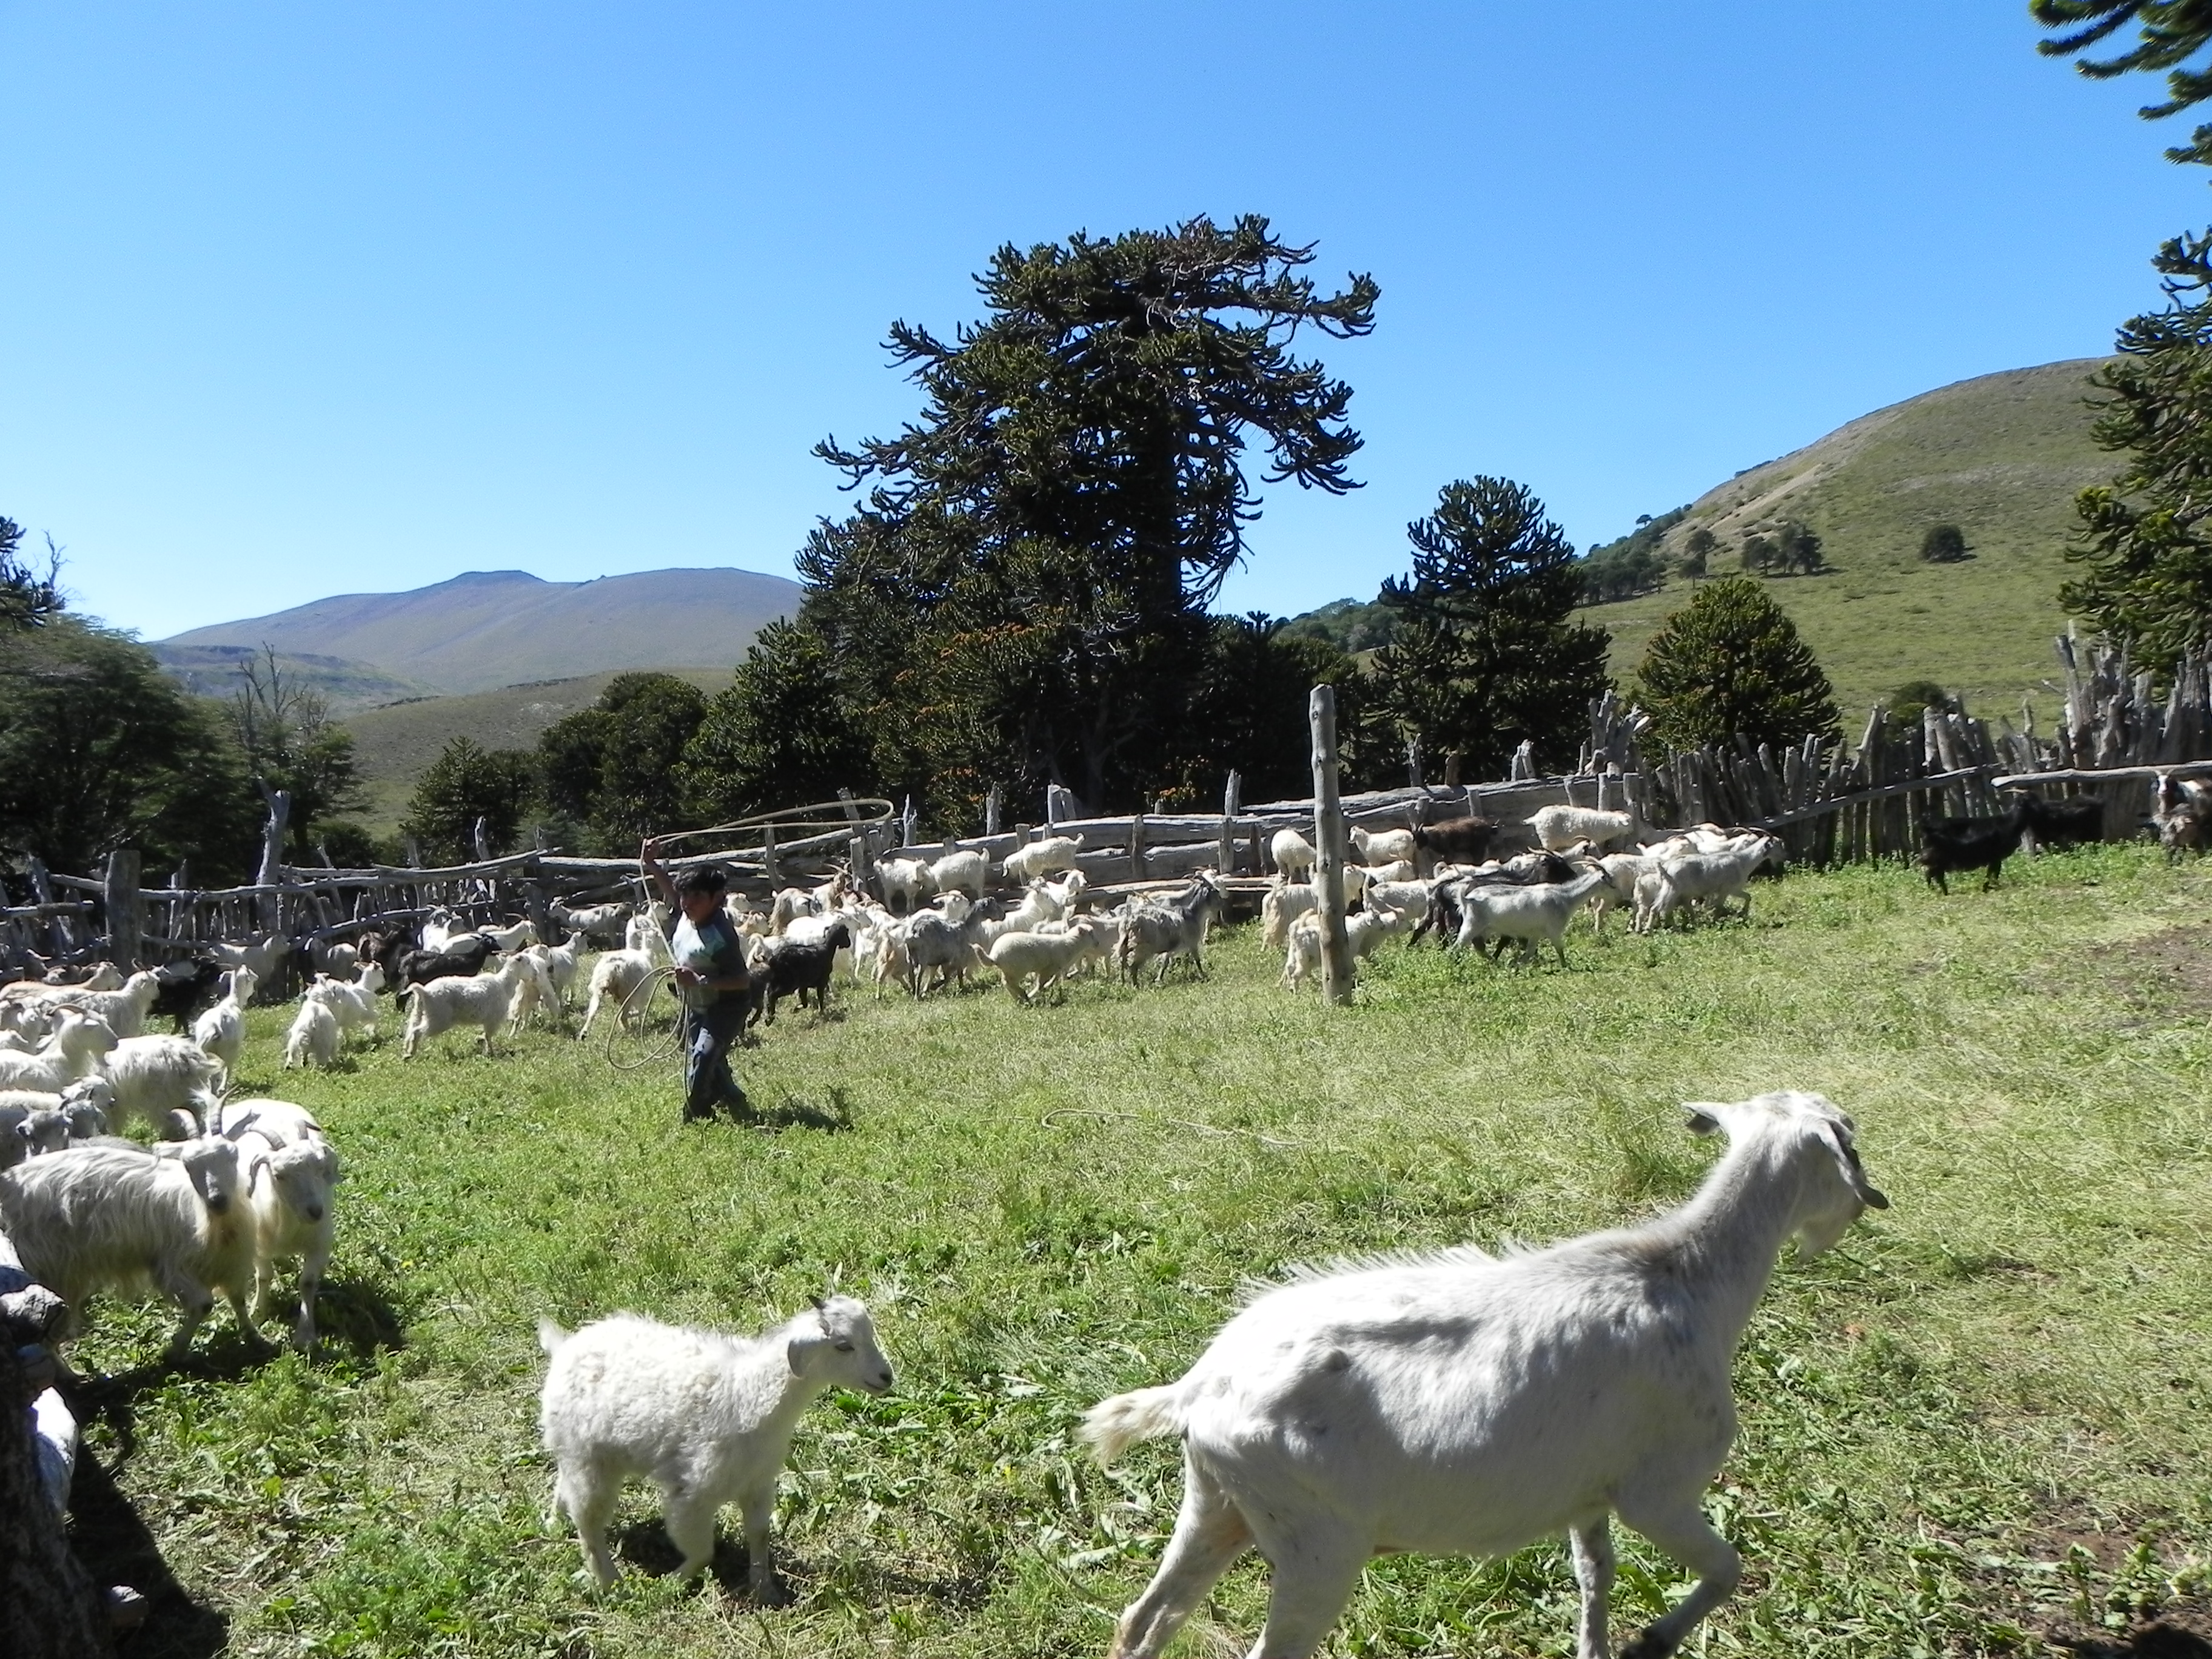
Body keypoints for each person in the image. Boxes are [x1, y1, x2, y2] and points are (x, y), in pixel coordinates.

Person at [639, 838, 752, 1122]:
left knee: (702, 1054)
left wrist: (700, 980)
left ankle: (697, 1112)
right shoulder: (689, 914)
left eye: (697, 897)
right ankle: (731, 1095)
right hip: (696, 1003)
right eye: (684, 896)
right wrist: (651, 864)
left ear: (717, 898)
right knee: (708, 1054)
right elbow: (673, 891)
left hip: (726, 1006)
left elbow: (742, 980)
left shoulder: (721, 936)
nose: (687, 903)